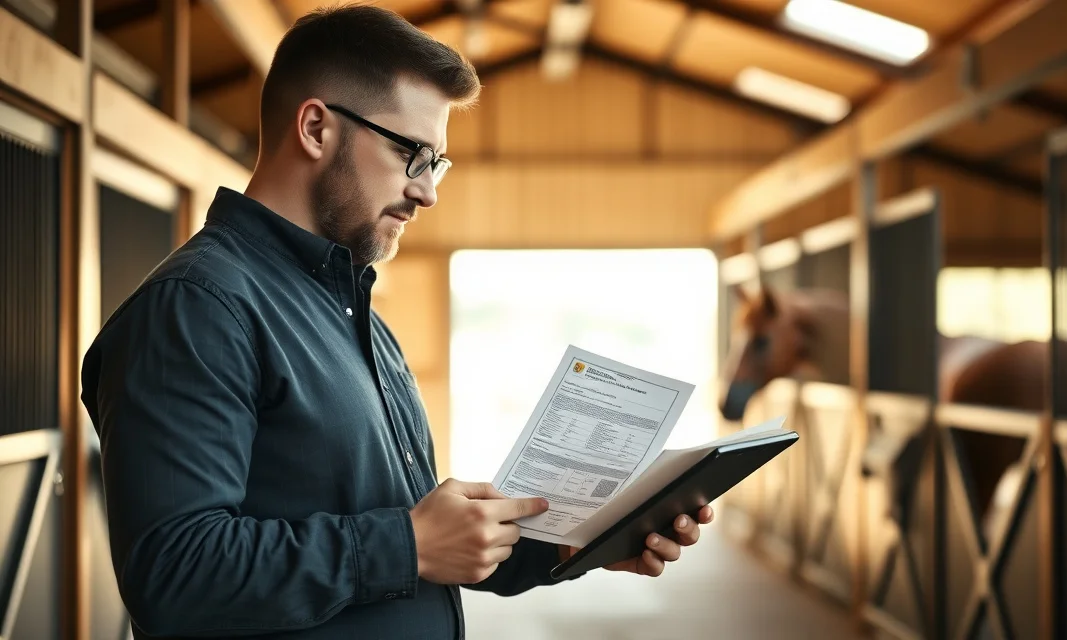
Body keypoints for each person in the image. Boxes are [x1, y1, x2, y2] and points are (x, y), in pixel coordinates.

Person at [80, 5, 714, 640]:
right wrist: (404, 546)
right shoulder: (197, 307)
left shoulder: (353, 313)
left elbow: (417, 537)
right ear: (315, 128)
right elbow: (174, 574)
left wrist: (582, 543)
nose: (428, 191)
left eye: (437, 164)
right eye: (413, 153)